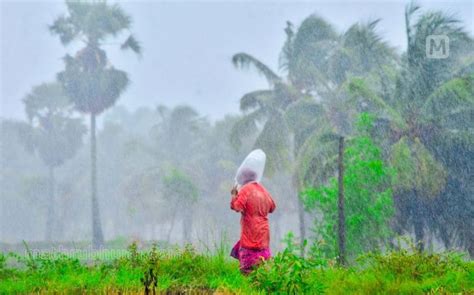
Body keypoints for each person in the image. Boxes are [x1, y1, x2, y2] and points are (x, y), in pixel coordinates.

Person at [230, 168, 276, 274]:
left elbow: (237, 207)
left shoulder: (246, 190)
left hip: (250, 232)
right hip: (264, 234)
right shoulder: (263, 190)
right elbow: (272, 207)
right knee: (262, 267)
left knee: (247, 269)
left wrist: (234, 196)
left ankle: (248, 288)